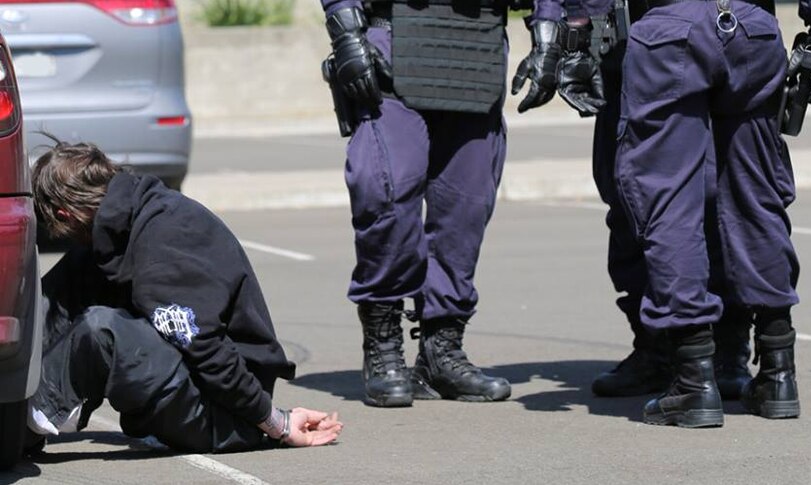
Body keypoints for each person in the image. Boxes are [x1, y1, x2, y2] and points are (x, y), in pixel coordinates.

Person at [320, 0, 566, 406]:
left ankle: (441, 350)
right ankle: (382, 346)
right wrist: (345, 29)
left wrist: (549, 34)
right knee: (386, 192)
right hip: (393, 37)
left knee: (466, 207)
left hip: (476, 45)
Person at [27, 139, 343, 452]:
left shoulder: (164, 242)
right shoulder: (125, 221)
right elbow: (46, 309)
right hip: (186, 388)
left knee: (101, 329)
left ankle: (19, 429)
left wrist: (279, 424)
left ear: (65, 214)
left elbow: (209, 352)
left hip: (224, 414)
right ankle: (11, 407)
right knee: (66, 284)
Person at [611, 0, 811, 427]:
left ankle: (694, 379)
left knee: (669, 202)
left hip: (670, 30)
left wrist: (566, 30)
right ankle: (778, 373)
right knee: (757, 199)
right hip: (751, 30)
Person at [556, 0, 754, 400]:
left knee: (720, 198)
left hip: (718, 34)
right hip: (628, 41)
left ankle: (725, 347)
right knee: (630, 201)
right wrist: (574, 35)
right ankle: (657, 346)